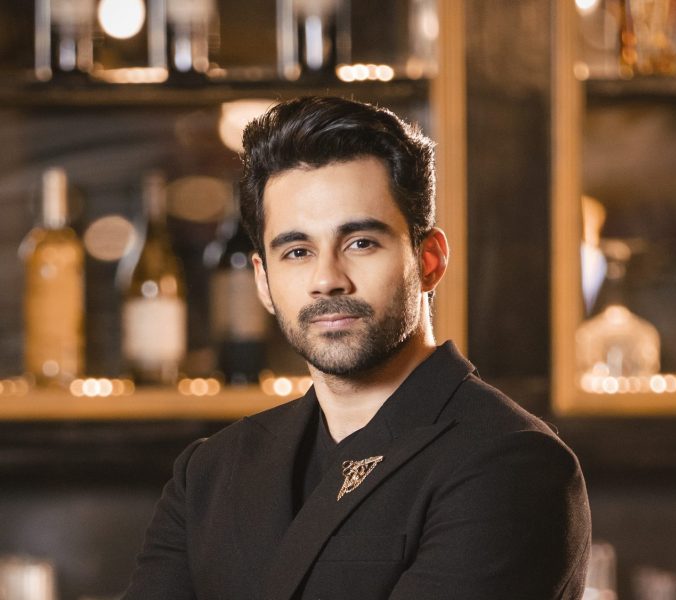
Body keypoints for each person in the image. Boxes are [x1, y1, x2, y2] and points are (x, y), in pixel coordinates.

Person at [124, 96, 591, 600]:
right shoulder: (211, 472)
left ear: (429, 261)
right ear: (263, 280)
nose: (327, 279)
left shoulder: (510, 463)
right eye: (297, 251)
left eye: (361, 243)